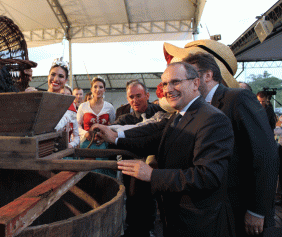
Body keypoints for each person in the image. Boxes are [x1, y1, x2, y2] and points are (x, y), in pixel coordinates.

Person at [117, 62, 235, 237]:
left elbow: (207, 176)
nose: (168, 89)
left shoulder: (213, 120)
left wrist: (152, 175)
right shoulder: (178, 115)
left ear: (196, 83)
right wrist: (115, 137)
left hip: (198, 223)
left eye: (175, 82)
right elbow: (153, 141)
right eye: (165, 84)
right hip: (175, 219)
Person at [179, 51, 278, 236]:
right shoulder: (199, 108)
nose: (184, 83)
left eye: (189, 76)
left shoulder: (238, 99)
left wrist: (258, 209)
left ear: (207, 75)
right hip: (221, 210)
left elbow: (266, 155)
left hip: (245, 209)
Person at [112, 79, 163, 237]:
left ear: (147, 95)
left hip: (159, 168)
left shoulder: (160, 112)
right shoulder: (123, 119)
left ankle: (152, 228)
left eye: (138, 96)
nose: (134, 100)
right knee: (134, 201)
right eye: (131, 97)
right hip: (133, 171)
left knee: (158, 202)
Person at [77, 76, 116, 177]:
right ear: (91, 89)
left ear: (104, 90)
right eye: (95, 87)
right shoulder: (83, 106)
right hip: (86, 144)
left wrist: (106, 136)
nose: (98, 90)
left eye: (101, 87)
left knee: (102, 173)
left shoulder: (110, 107)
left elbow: (113, 125)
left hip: (103, 145)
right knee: (86, 172)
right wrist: (85, 133)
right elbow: (77, 125)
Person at [47, 59, 80, 149]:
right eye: (53, 74)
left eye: (60, 76)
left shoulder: (69, 106)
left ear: (65, 80)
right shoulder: (39, 98)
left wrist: (70, 145)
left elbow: (55, 127)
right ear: (48, 76)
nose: (56, 79)